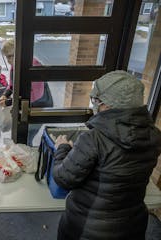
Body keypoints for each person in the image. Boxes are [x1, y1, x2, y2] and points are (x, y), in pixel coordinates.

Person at [52, 70, 161, 240]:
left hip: (87, 229)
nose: (95, 106)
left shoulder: (93, 139)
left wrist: (62, 148)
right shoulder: (154, 135)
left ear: (108, 105)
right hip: (133, 225)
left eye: (97, 101)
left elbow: (64, 179)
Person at [0, 39, 53, 145]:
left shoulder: (34, 66)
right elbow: (12, 85)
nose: (8, 60)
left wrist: (9, 102)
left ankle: (26, 157)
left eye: (10, 56)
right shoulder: (16, 65)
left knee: (26, 138)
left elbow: (33, 96)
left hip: (39, 108)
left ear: (18, 53)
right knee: (21, 136)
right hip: (26, 107)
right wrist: (5, 95)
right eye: (6, 57)